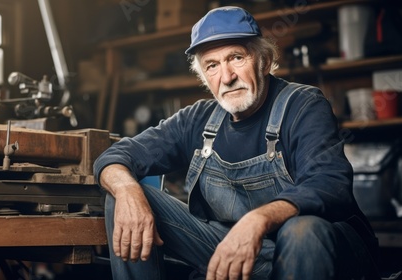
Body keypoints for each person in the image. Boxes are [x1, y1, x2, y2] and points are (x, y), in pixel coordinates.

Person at [94, 6, 380, 280]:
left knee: (302, 229)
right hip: (234, 250)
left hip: (319, 250)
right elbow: (116, 156)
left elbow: (330, 183)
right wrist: (128, 190)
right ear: (205, 77)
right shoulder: (198, 119)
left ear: (264, 61)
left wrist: (257, 221)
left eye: (236, 58)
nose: (227, 77)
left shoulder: (303, 104)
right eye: (213, 65)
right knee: (119, 199)